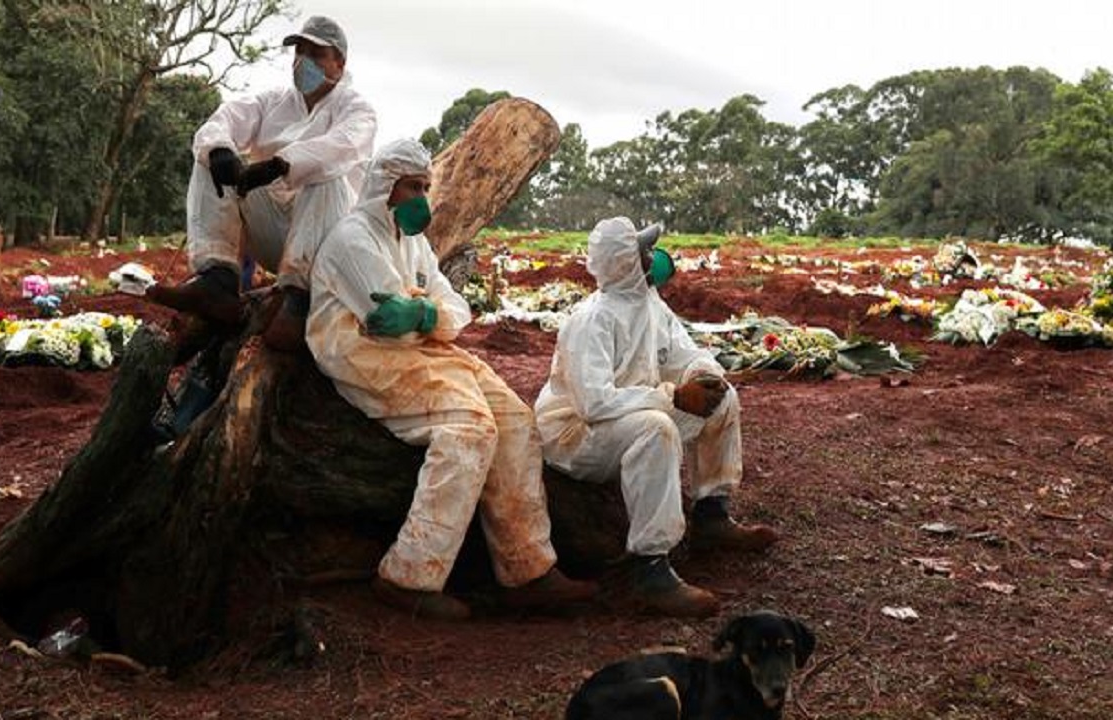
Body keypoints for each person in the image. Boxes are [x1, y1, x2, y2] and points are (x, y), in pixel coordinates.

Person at [306, 139, 596, 620]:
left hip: (420, 348)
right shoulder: (353, 239)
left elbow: (458, 312)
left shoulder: (414, 242)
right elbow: (390, 327)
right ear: (385, 187)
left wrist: (421, 311)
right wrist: (428, 314)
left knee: (516, 421)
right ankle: (408, 576)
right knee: (469, 429)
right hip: (359, 354)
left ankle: (527, 568)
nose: (422, 197)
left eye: (425, 186)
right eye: (412, 187)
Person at [534, 217, 779, 618]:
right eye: (644, 252)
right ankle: (650, 569)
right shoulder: (591, 320)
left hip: (627, 414)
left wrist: (704, 377)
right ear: (626, 263)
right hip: (575, 437)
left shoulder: (649, 305)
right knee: (657, 429)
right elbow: (594, 405)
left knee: (724, 399)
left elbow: (684, 353)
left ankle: (711, 514)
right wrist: (672, 397)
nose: (655, 258)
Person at [147, 15, 377, 352]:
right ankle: (217, 282)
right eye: (299, 51)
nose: (304, 62)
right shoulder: (273, 102)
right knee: (209, 156)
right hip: (278, 238)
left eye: (316, 54)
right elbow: (222, 122)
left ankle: (296, 302)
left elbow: (341, 146)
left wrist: (280, 165)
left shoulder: (356, 109)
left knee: (326, 173)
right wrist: (222, 151)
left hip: (330, 246)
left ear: (339, 64)